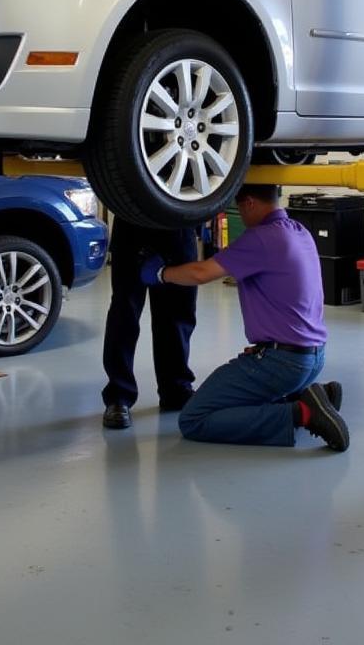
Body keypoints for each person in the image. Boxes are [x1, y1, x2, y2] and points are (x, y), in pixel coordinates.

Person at [139, 184, 348, 451]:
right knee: (240, 399)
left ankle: (303, 412)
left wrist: (161, 273)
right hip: (314, 356)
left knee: (194, 419)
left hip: (282, 363)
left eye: (239, 208)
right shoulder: (299, 231)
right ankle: (314, 395)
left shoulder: (261, 238)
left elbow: (201, 273)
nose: (242, 215)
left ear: (249, 203)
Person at [102, 217, 198, 429]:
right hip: (132, 226)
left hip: (179, 225)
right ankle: (119, 396)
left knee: (178, 314)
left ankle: (176, 389)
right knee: (124, 315)